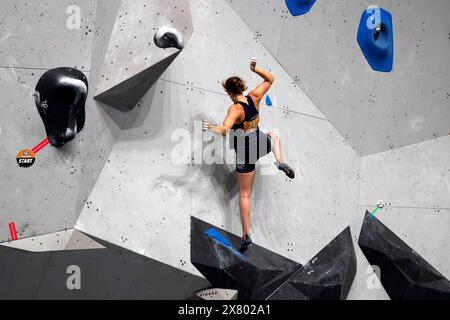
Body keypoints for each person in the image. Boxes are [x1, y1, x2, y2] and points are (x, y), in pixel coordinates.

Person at [203, 58, 295, 252]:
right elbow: (270, 79)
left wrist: (210, 126)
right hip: (261, 143)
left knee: (244, 195)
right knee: (274, 135)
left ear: (229, 92)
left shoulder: (235, 109)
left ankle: (246, 235)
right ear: (242, 88)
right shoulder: (254, 96)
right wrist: (255, 69)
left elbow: (224, 130)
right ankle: (279, 161)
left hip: (246, 152)